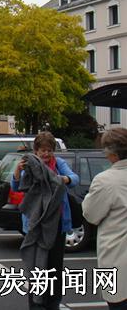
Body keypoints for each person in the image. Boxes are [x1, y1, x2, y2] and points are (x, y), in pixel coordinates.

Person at [11, 131, 79, 310]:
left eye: (49, 150)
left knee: (54, 267)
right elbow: (16, 187)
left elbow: (74, 179)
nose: (46, 154)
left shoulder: (59, 164)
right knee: (36, 267)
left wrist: (60, 179)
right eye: (42, 150)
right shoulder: (30, 165)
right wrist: (17, 171)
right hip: (35, 225)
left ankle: (53, 303)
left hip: (57, 224)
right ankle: (36, 304)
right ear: (36, 150)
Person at [82, 128, 127, 309]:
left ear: (112, 154)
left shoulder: (105, 180)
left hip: (117, 259)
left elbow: (91, 214)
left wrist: (87, 198)